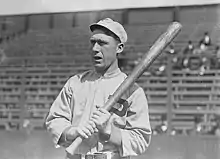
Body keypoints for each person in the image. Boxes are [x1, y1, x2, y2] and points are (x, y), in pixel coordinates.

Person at [45, 18, 152, 159]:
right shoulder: (75, 83)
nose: (95, 48)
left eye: (102, 43)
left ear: (119, 48)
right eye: (92, 42)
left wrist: (109, 132)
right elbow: (55, 119)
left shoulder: (134, 92)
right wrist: (72, 132)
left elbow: (141, 139)